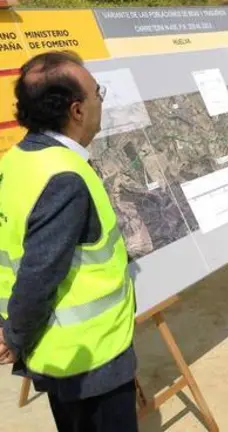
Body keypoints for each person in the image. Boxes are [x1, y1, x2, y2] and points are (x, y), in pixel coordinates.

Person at [0, 51, 138, 430]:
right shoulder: (64, 178)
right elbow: (38, 274)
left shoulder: (16, 161)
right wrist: (14, 336)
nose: (100, 101)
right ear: (77, 111)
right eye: (97, 93)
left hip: (60, 351)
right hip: (90, 359)